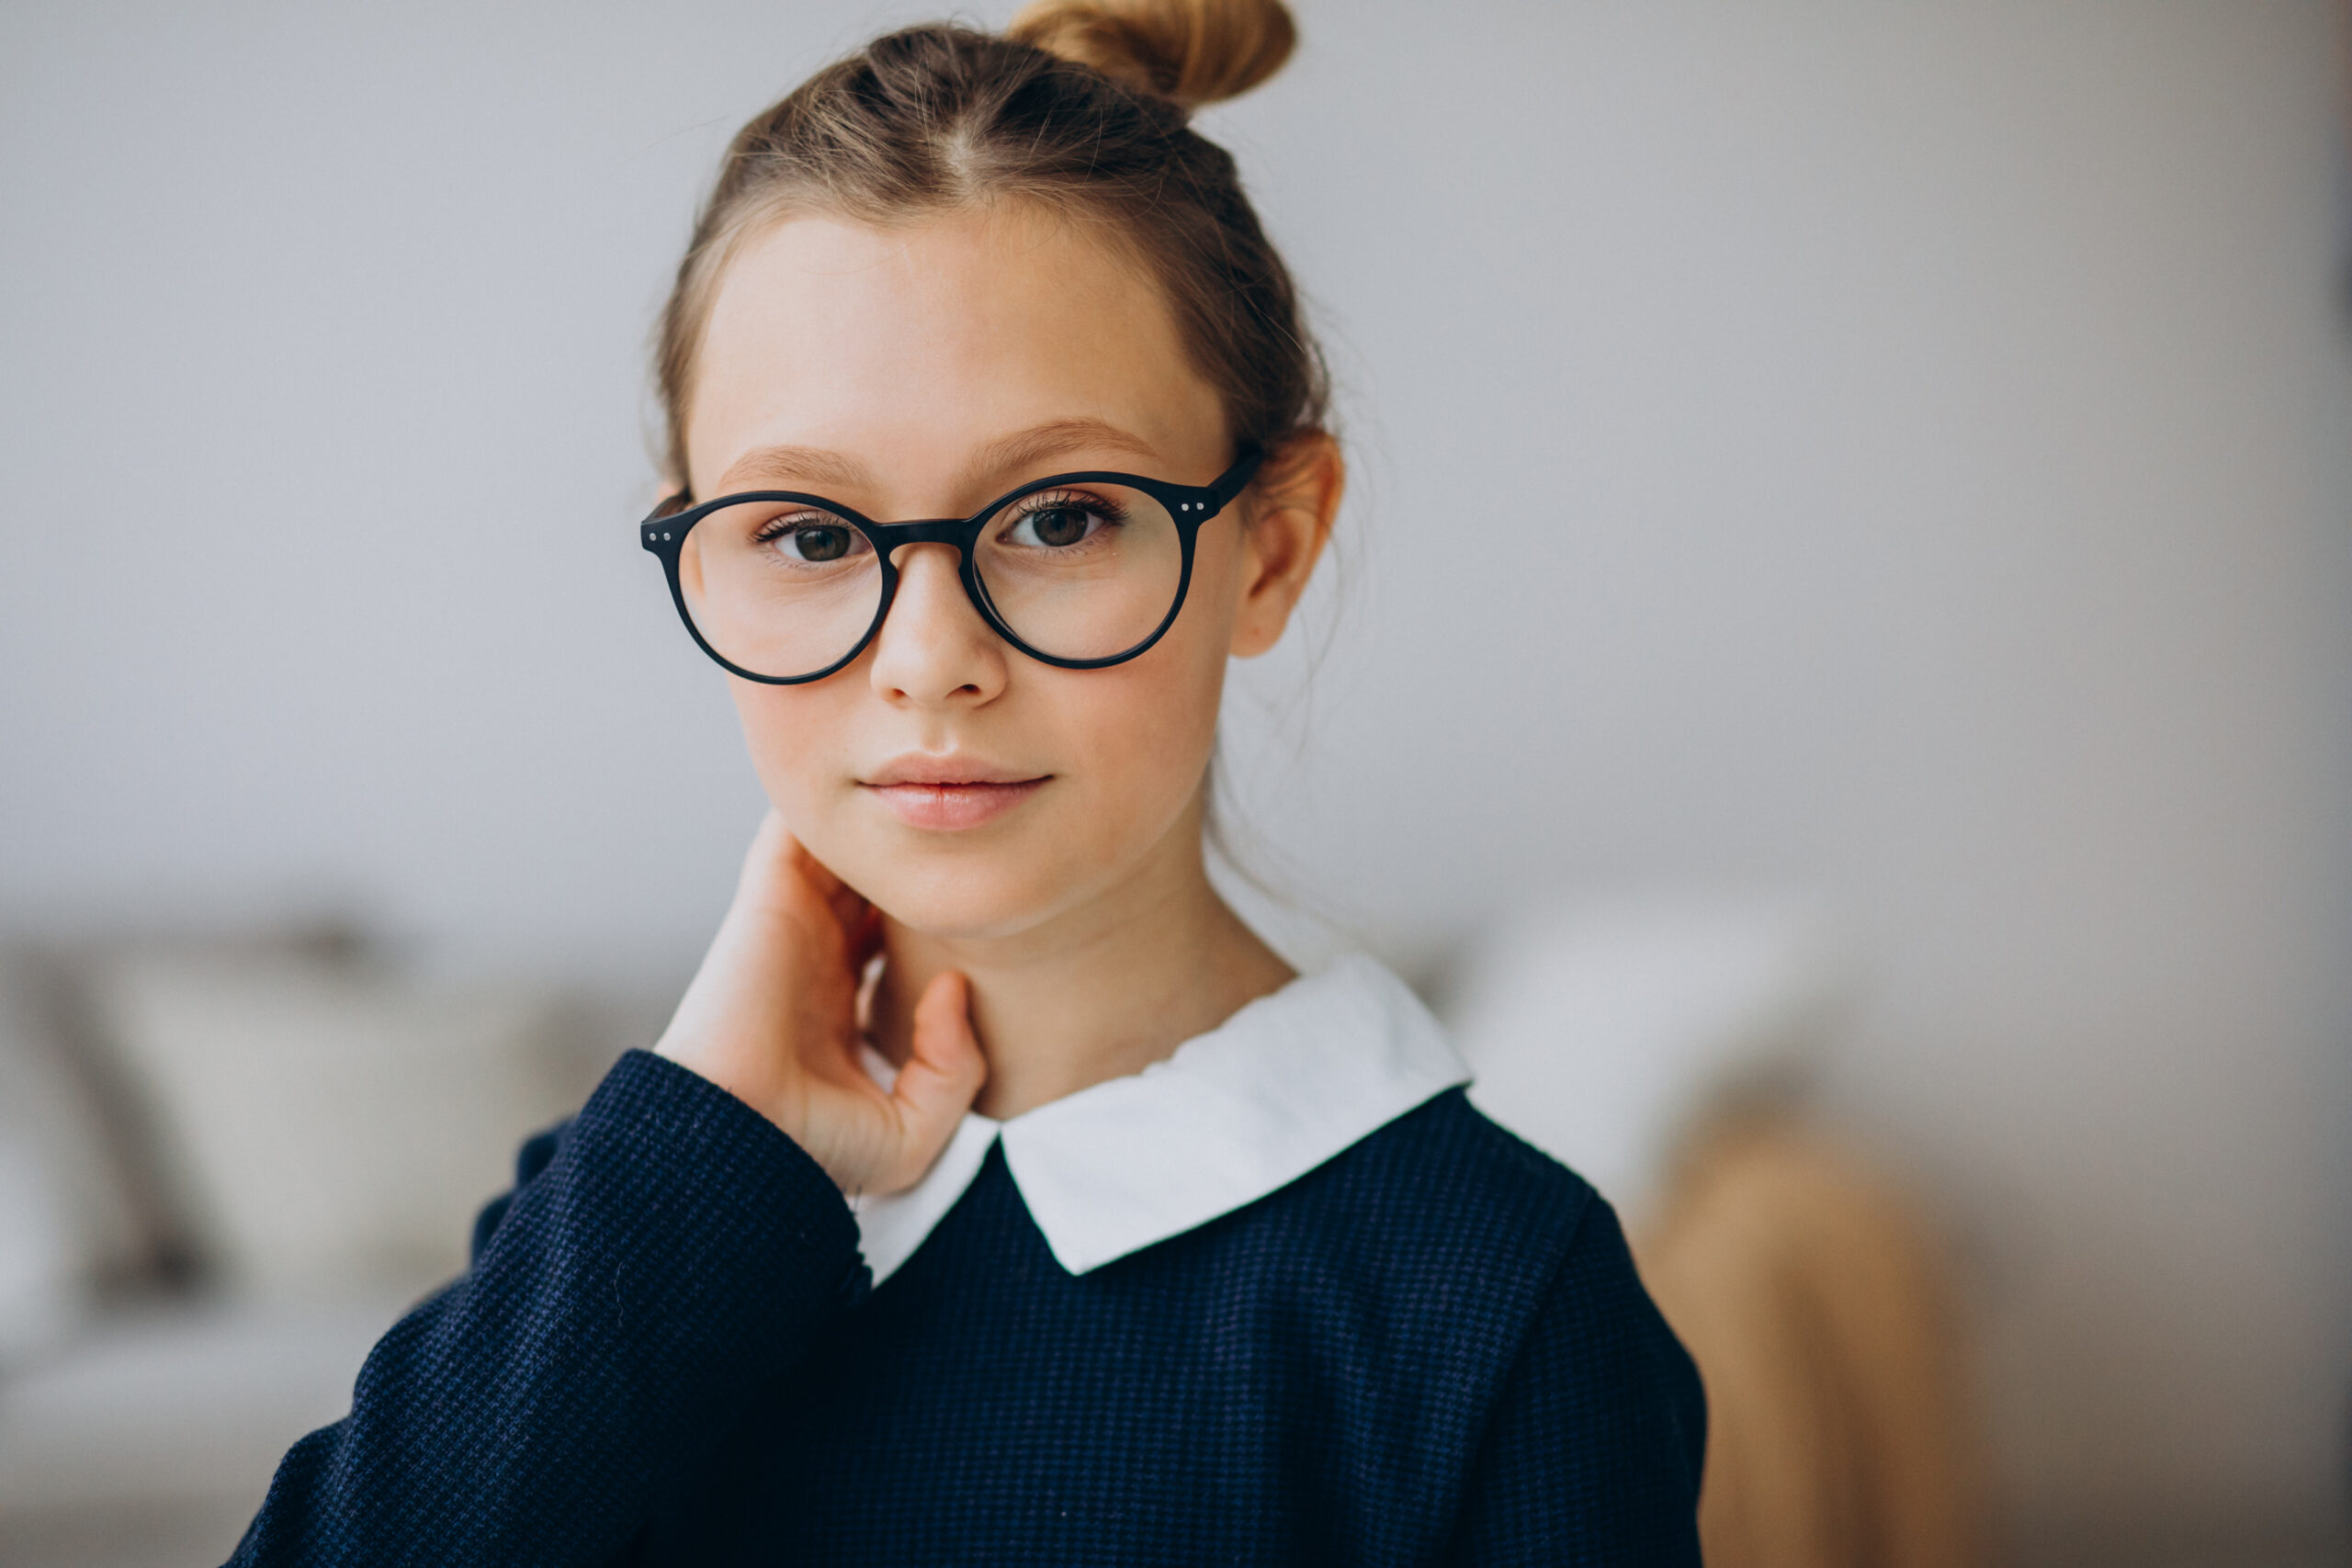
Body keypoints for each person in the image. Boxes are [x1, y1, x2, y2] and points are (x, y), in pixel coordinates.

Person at [229, 2, 1704, 1562]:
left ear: (1268, 544)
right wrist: (696, 1167)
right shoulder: (628, 1219)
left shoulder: (1499, 1304)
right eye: (807, 534)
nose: (929, 659)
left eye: (1061, 518)